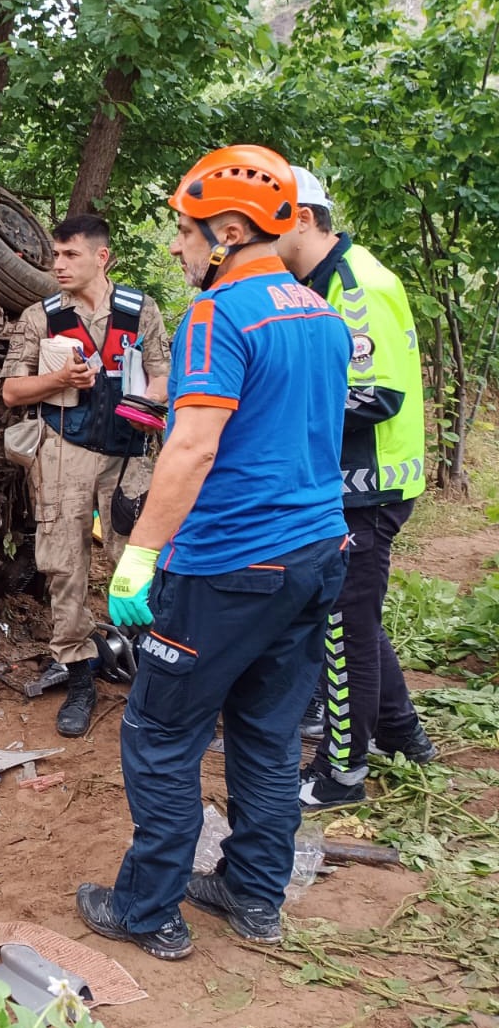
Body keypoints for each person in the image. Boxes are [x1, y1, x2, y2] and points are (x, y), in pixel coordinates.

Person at [76, 146, 351, 959]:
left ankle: (148, 909)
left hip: (230, 562)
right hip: (313, 556)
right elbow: (286, 429)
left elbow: (193, 450)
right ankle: (254, 892)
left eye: (186, 232)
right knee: (266, 734)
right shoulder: (320, 314)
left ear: (228, 231)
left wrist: (139, 553)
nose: (176, 247)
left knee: (160, 734)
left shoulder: (215, 316)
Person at [276, 166, 436, 807]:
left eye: (270, 221)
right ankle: (403, 733)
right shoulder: (318, 282)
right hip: (349, 483)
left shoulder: (355, 283)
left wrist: (273, 403)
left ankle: (342, 774)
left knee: (342, 627)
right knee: (357, 620)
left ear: (304, 219)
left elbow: (376, 395)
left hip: (368, 486)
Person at [0, 214, 168, 737]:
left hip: (128, 457)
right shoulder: (40, 317)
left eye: (70, 255)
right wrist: (58, 379)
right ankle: (79, 678)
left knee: (136, 563)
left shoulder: (141, 312)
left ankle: (152, 679)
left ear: (102, 257)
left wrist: (146, 401)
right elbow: (10, 391)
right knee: (63, 567)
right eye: (55, 254)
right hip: (62, 453)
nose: (58, 264)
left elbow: (164, 376)